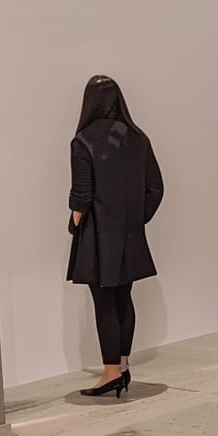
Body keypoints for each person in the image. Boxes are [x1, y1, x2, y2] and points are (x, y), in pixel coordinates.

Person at [66, 75, 163, 397]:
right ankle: (122, 365)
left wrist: (74, 222)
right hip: (130, 234)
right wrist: (136, 219)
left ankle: (109, 373)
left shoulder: (83, 141)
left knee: (104, 302)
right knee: (124, 298)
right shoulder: (138, 138)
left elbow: (82, 195)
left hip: (97, 236)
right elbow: (155, 188)